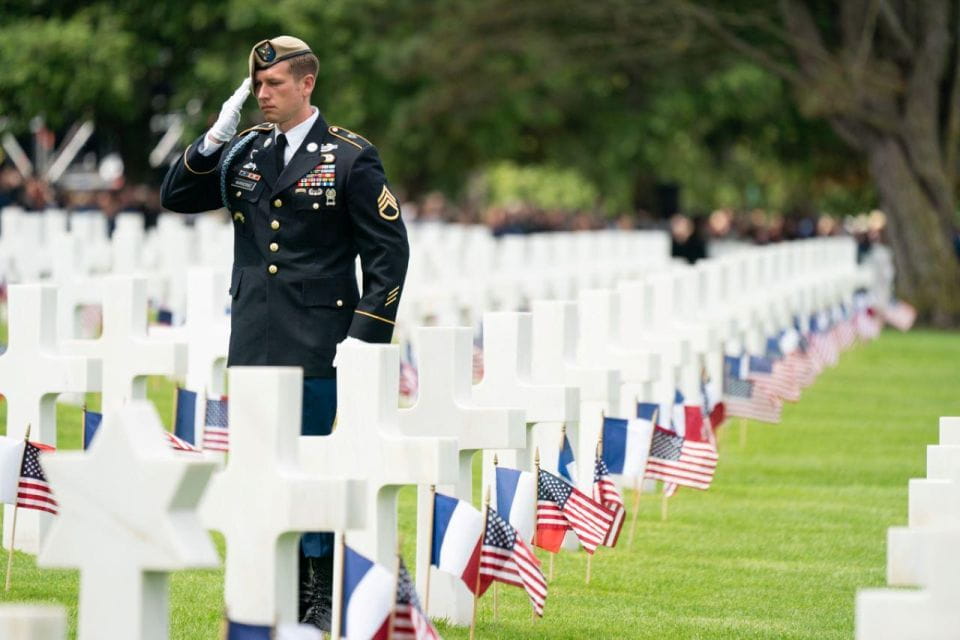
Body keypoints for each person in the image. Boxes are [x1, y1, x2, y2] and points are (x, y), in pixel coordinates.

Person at [160, 36, 409, 630]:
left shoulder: (349, 157)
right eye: (257, 85)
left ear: (307, 84)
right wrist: (213, 140)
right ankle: (261, 587)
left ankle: (314, 601)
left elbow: (388, 254)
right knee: (256, 475)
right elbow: (175, 196)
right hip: (254, 341)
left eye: (273, 85)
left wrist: (364, 342)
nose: (262, 95)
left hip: (318, 345)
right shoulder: (244, 151)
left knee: (311, 475)